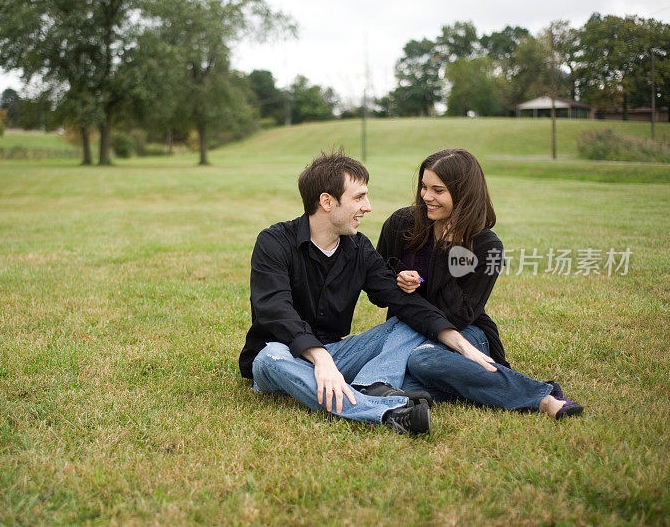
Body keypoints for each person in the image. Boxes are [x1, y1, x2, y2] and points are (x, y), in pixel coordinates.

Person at [240, 150, 500, 435]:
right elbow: (275, 309)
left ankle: (368, 385)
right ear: (327, 201)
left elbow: (404, 301)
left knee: (404, 321)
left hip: (338, 353)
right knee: (269, 358)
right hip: (284, 354)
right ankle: (383, 412)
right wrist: (321, 360)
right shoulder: (273, 242)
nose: (369, 207)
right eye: (359, 197)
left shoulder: (359, 248)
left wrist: (463, 346)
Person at [376, 148, 583, 419]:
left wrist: (447, 252)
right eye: (424, 187)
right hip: (406, 332)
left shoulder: (486, 246)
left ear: (462, 195)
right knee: (388, 378)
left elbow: (459, 315)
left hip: (466, 334)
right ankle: (473, 386)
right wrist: (397, 280)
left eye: (438, 190)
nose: (426, 196)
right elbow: (379, 291)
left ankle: (542, 397)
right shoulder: (401, 224)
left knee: (421, 360)